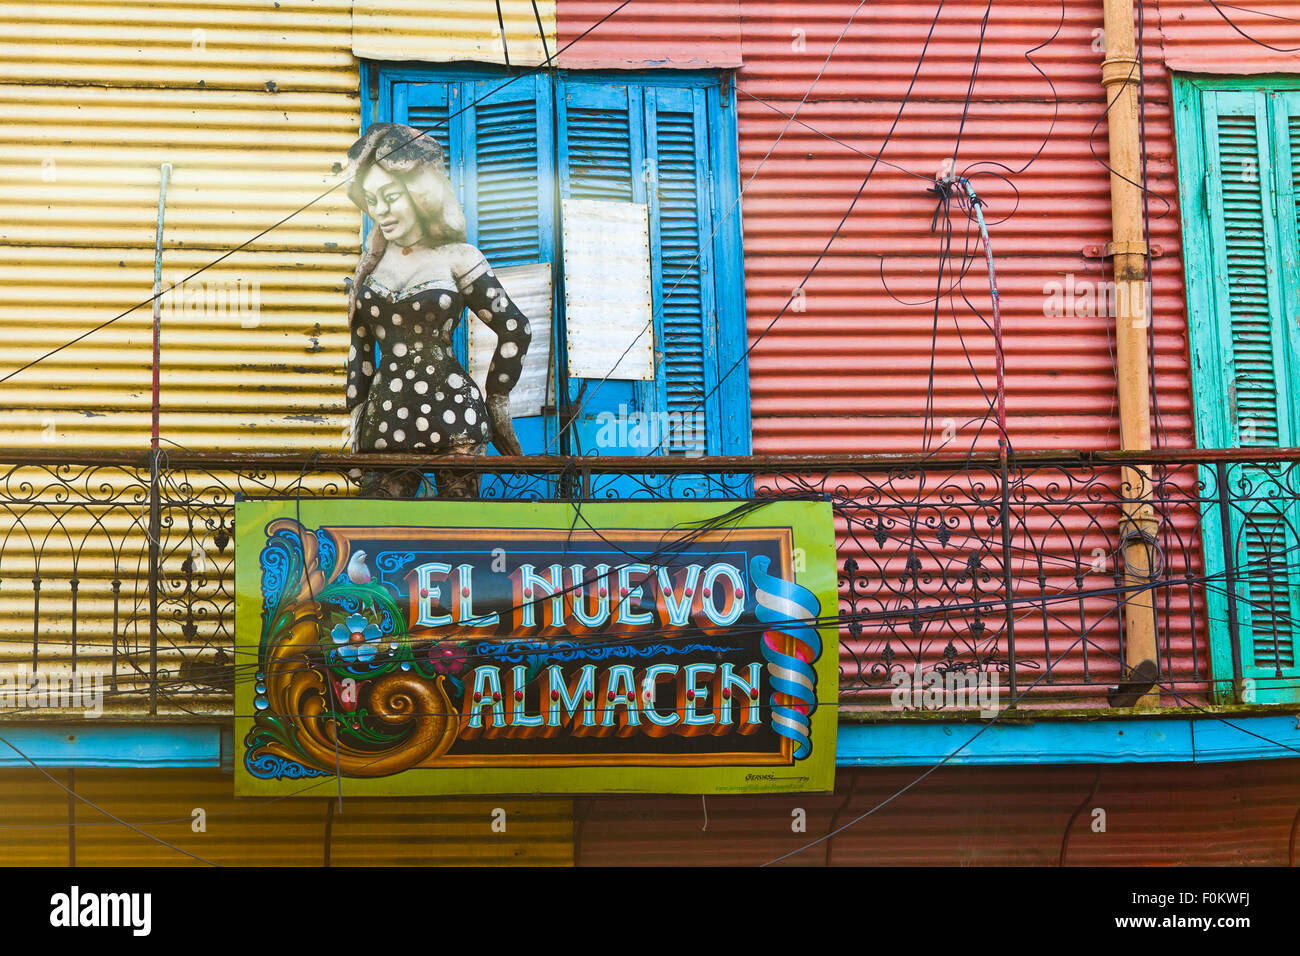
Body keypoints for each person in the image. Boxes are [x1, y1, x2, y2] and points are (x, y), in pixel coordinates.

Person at [341, 123, 531, 497]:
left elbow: (515, 328)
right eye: (371, 200)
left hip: (455, 419)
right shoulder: (368, 268)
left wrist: (497, 403)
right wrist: (353, 424)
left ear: (421, 193)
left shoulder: (458, 259)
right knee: (374, 531)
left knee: (457, 533)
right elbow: (359, 354)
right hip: (383, 423)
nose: (381, 211)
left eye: (391, 195)